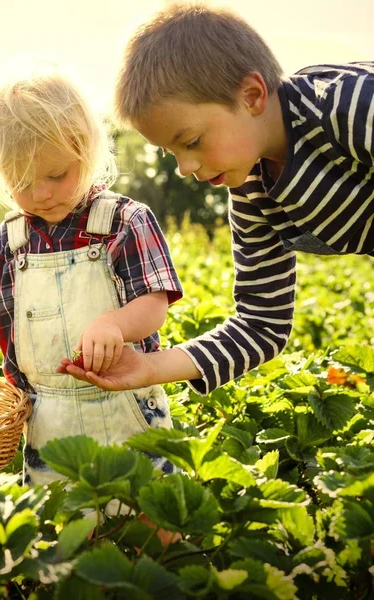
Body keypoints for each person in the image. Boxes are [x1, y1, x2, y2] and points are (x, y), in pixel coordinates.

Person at [58, 2, 374, 396]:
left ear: (252, 95)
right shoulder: (252, 188)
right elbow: (262, 324)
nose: (185, 167)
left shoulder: (345, 104)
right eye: (172, 153)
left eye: (191, 142)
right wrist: (149, 367)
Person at [0, 72, 183, 487]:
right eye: (22, 183)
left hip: (126, 407)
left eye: (57, 175)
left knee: (148, 515)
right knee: (60, 531)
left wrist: (114, 324)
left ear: (87, 150)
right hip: (48, 418)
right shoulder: (13, 239)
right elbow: (9, 319)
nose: (42, 194)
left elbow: (154, 305)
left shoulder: (124, 221)